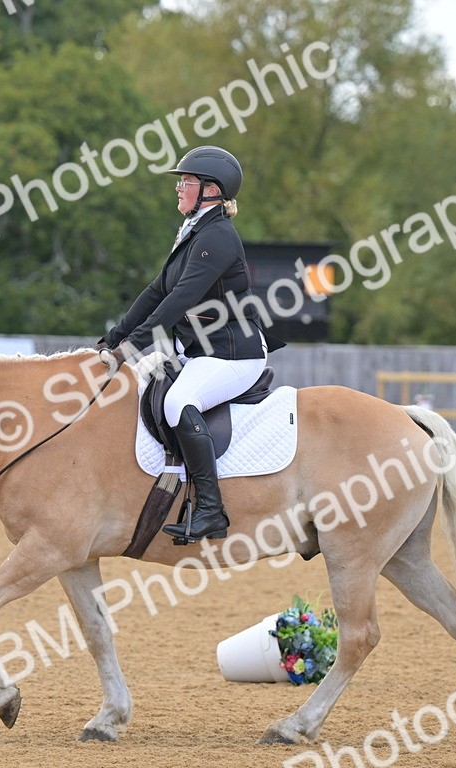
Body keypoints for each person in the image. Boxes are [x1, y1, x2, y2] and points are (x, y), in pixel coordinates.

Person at [98, 145, 285, 542]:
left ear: (211, 190)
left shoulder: (216, 237)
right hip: (201, 352)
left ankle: (210, 510)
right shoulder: (194, 231)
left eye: (186, 181)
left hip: (235, 354)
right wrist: (112, 341)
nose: (179, 188)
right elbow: (155, 292)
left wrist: (130, 351)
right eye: (181, 181)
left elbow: (179, 300)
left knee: (177, 402)